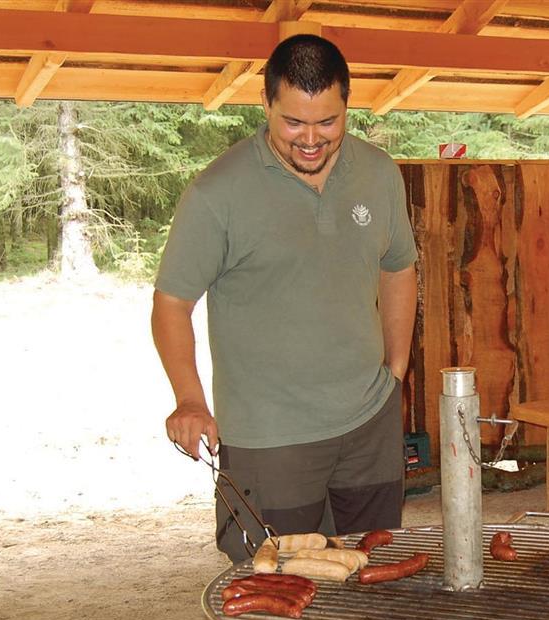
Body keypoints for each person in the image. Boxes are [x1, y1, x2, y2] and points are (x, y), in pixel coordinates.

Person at [151, 34, 418, 561]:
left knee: (370, 567)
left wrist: (396, 369)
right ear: (266, 104)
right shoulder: (217, 192)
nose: (311, 140)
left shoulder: (379, 173)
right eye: (293, 122)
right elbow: (172, 304)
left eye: (328, 122)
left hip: (369, 425)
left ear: (347, 106)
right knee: (275, 579)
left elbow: (399, 266)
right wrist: (190, 399)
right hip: (269, 437)